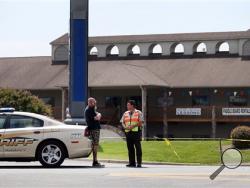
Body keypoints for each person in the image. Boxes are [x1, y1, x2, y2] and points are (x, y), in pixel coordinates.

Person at [120, 100, 144, 168]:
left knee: (138, 148)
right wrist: (125, 127)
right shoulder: (125, 113)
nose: (127, 106)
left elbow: (141, 122)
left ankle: (139, 163)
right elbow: (122, 122)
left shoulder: (138, 112)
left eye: (128, 105)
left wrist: (133, 126)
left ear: (132, 105)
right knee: (130, 148)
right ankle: (132, 163)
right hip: (128, 133)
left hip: (136, 132)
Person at [85, 97, 104, 167]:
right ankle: (95, 161)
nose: (94, 103)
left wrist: (98, 113)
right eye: (93, 102)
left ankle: (95, 161)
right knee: (95, 145)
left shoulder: (92, 109)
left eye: (94, 102)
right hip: (93, 129)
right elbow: (97, 118)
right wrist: (99, 114)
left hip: (95, 129)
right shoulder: (89, 110)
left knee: (95, 145)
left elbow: (96, 115)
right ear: (89, 102)